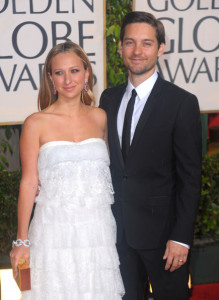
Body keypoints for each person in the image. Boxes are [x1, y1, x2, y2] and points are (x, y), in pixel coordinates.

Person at [10, 40, 124, 299]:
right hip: (52, 234)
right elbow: (28, 183)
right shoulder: (36, 123)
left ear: (86, 73)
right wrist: (22, 240)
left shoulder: (101, 118)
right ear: (50, 78)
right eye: (59, 72)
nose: (67, 79)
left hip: (98, 233)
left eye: (74, 70)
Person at [99, 11, 202, 300]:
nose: (137, 51)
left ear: (160, 49)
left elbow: (190, 177)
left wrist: (181, 238)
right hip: (118, 237)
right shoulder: (108, 98)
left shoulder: (181, 102)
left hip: (165, 239)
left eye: (146, 43)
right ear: (120, 48)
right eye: (130, 43)